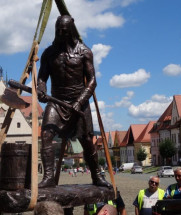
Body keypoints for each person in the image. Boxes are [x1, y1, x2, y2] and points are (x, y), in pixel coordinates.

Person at [37, 14, 110, 188]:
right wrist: (41, 90)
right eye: (58, 31)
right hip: (56, 101)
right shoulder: (49, 53)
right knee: (46, 134)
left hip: (79, 103)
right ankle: (48, 177)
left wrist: (79, 102)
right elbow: (42, 78)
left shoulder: (85, 52)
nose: (61, 34)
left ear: (71, 31)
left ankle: (97, 176)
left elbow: (92, 81)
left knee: (86, 140)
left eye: (64, 31)